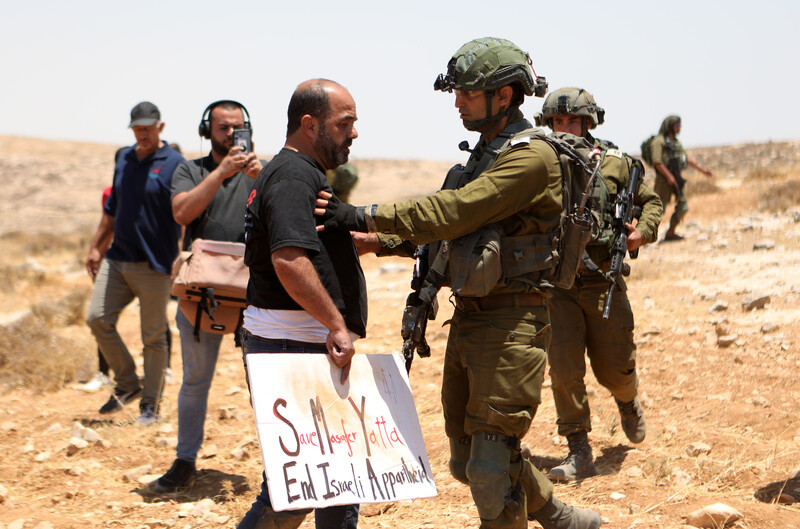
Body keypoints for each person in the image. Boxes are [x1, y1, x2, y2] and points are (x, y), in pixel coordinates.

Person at [318, 39, 601, 529]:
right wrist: (377, 243)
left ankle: (553, 515)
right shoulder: (482, 157)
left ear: (506, 96)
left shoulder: (530, 158)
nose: (457, 102)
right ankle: (558, 515)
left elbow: (456, 212)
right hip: (471, 318)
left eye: (468, 92)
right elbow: (452, 238)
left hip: (514, 321)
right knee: (468, 460)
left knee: (490, 470)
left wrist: (361, 213)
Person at [236, 79, 364, 529]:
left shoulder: (297, 173)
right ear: (309, 124)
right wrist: (335, 325)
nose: (353, 133)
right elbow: (289, 259)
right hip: (295, 348)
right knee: (298, 488)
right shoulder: (293, 176)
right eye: (344, 122)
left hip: (295, 344)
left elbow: (317, 246)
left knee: (333, 479)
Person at [535, 87, 663, 482]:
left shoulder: (615, 163)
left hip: (602, 281)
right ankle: (578, 449)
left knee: (615, 368)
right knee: (564, 369)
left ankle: (627, 400)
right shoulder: (538, 163)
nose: (564, 128)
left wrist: (642, 231)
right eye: (557, 122)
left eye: (571, 120)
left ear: (588, 123)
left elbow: (652, 201)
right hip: (557, 285)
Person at [154, 100, 263, 492]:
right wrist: (220, 173)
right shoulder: (191, 170)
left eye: (238, 128)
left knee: (264, 381)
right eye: (223, 128)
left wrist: (261, 177)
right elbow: (182, 213)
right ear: (208, 130)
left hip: (255, 294)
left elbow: (287, 215)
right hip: (202, 293)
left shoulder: (260, 173)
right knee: (195, 380)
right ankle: (185, 461)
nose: (231, 135)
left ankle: (279, 465)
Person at [85, 101, 184, 424]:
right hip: (117, 259)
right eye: (136, 128)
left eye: (147, 127)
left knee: (153, 338)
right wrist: (96, 247)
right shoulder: (125, 159)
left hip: (155, 265)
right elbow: (112, 208)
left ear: (160, 127)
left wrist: (183, 255)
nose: (141, 133)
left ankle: (150, 407)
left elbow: (185, 213)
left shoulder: (175, 164)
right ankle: (128, 383)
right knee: (97, 318)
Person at [648, 115, 713, 241]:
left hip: (677, 178)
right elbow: (657, 162)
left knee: (683, 205)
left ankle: (671, 232)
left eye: (680, 126)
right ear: (670, 126)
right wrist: (669, 177)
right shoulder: (659, 141)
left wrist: (703, 171)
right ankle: (646, 235)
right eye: (677, 126)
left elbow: (687, 159)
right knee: (658, 209)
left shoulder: (676, 143)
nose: (679, 128)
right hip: (663, 181)